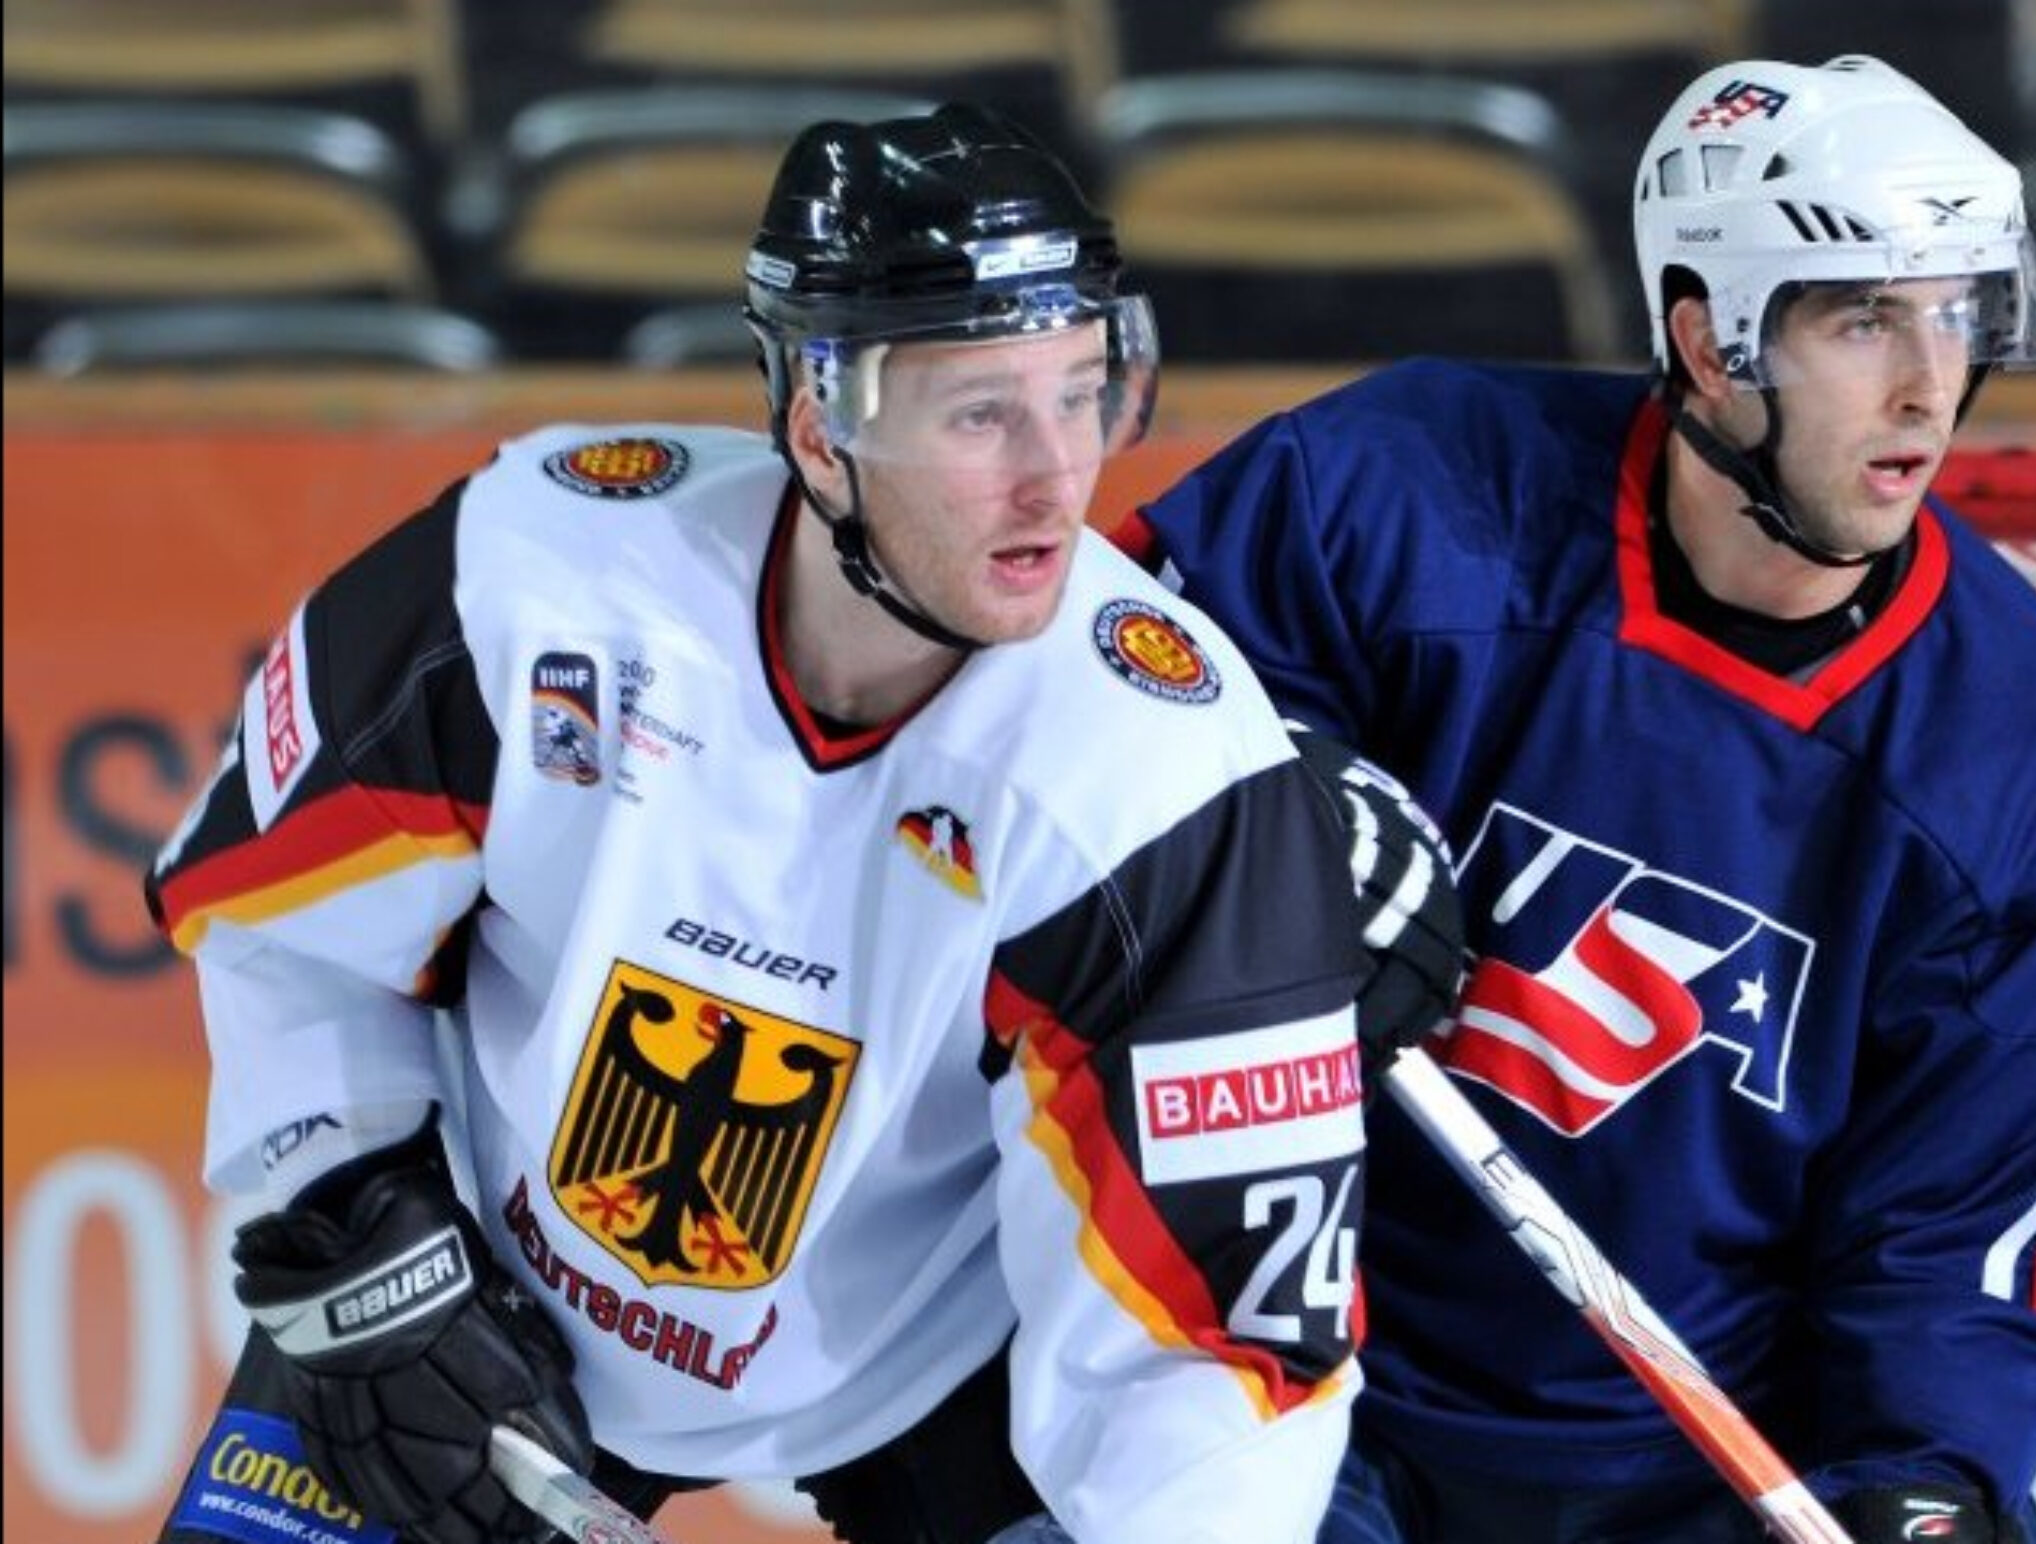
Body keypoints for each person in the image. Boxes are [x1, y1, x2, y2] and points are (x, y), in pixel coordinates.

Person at [146, 104, 1396, 1544]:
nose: (1057, 478)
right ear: (820, 425)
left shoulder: (1163, 781)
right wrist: (355, 1206)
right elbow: (280, 917)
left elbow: (1217, 1346)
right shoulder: (534, 584)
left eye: (1081, 394)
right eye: (981, 412)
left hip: (941, 1371)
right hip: (488, 1295)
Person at [1119, 55, 2036, 1544]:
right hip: (1288, 1378)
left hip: (1706, 1464)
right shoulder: (1408, 488)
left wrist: (1927, 1470)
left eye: (1956, 314)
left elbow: (1980, 1224)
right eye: (1863, 318)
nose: (1928, 385)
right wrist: (1281, 810)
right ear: (1708, 340)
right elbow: (1122, 694)